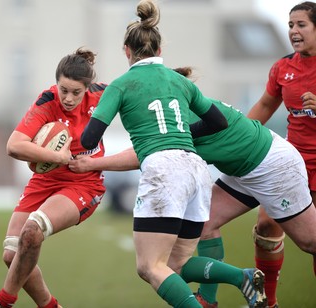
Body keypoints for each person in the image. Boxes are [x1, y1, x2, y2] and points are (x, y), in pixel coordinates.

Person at [80, 1, 267, 307]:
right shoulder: (179, 80)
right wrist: (177, 135)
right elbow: (217, 121)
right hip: (195, 169)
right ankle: (241, 277)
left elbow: (90, 137)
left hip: (164, 171)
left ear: (126, 51)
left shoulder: (122, 84)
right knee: (174, 267)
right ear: (159, 50)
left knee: (149, 267)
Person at [0, 47, 108, 308]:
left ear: (88, 88)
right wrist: (58, 158)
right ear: (57, 84)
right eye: (64, 90)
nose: (69, 98)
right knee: (11, 254)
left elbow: (138, 91)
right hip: (47, 179)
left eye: (76, 92)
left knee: (33, 229)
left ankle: (3, 303)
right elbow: (14, 145)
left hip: (83, 182)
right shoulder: (47, 101)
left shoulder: (104, 94)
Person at [246, 2, 316, 307]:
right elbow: (264, 106)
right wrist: (236, 135)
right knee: (265, 225)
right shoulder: (283, 67)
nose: (293, 31)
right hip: (292, 164)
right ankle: (267, 302)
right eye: (290, 25)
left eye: (301, 24)